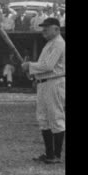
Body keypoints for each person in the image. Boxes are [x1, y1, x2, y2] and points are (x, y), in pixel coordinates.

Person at [21, 18, 65, 164]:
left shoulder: (58, 43)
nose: (44, 30)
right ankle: (49, 154)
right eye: (43, 28)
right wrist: (33, 73)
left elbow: (48, 66)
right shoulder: (49, 44)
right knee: (43, 118)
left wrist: (29, 66)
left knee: (56, 117)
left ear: (57, 29)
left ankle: (56, 155)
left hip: (55, 82)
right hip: (44, 83)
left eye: (47, 28)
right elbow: (42, 67)